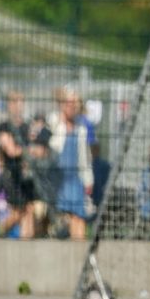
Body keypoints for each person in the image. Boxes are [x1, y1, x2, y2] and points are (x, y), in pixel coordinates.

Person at [48, 87, 93, 240]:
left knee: (79, 218)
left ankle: (79, 250)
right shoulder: (54, 122)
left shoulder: (81, 128)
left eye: (75, 103)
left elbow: (85, 158)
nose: (72, 107)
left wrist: (88, 180)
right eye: (68, 103)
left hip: (76, 180)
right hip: (58, 179)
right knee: (62, 220)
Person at [0, 90, 35, 238]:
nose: (18, 105)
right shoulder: (4, 126)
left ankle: (26, 244)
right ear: (8, 105)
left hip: (26, 177)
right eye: (14, 102)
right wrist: (28, 151)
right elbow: (10, 150)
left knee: (28, 210)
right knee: (19, 211)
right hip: (12, 176)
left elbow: (37, 149)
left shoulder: (27, 126)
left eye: (20, 101)